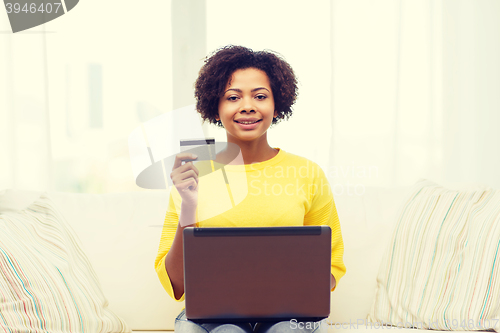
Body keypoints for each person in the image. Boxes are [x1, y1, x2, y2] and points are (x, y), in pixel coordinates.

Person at [155, 45, 346, 333]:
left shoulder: (307, 173)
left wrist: (299, 285)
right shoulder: (193, 175)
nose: (247, 106)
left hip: (288, 315)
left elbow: (331, 268)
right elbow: (177, 285)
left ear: (277, 105)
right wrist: (189, 206)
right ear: (215, 108)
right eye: (233, 97)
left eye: (260, 96)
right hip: (213, 318)